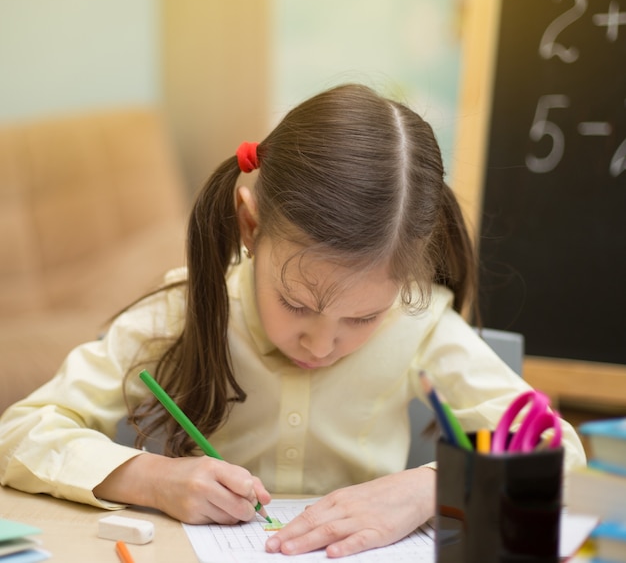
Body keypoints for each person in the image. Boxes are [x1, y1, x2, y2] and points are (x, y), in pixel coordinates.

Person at [0, 83, 585, 558]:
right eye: (298, 305)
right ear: (250, 226)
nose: (322, 341)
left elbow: (558, 451)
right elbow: (21, 433)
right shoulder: (185, 308)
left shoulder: (423, 325)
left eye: (363, 317)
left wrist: (424, 490)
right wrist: (151, 478)